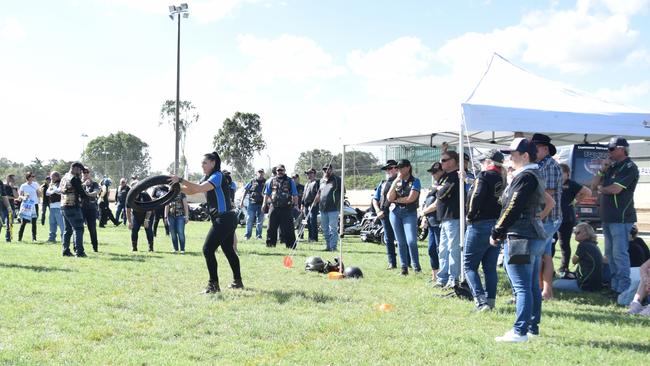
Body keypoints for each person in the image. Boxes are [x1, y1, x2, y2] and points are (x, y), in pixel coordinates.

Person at [491, 138, 554, 343]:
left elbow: (512, 206)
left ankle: (520, 331)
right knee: (530, 286)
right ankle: (532, 328)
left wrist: (497, 230)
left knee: (522, 287)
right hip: (532, 235)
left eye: (513, 154)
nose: (510, 158)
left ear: (525, 156)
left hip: (521, 237)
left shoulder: (526, 176)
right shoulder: (529, 175)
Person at [170, 151, 243, 293]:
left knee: (208, 249)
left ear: (213, 163)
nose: (202, 165)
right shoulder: (207, 177)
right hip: (225, 219)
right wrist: (175, 188)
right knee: (228, 250)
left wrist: (179, 180)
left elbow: (199, 188)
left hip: (225, 218)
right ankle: (237, 281)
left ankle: (213, 285)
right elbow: (192, 190)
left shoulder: (218, 176)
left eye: (204, 163)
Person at [591, 136, 639, 298]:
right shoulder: (611, 167)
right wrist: (601, 170)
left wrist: (601, 189)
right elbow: (593, 185)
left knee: (619, 253)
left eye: (611, 149)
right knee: (610, 254)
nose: (608, 152)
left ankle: (623, 288)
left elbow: (615, 189)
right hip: (608, 216)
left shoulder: (629, 167)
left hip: (621, 218)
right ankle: (614, 286)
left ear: (621, 149)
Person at [464, 150, 506, 311]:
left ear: (489, 162)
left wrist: (470, 216)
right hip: (496, 224)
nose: (480, 164)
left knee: (469, 266)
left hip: (480, 224)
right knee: (490, 267)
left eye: (482, 162)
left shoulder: (484, 177)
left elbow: (476, 197)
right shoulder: (504, 179)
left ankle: (481, 302)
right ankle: (490, 301)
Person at [531, 133, 563, 301]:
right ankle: (546, 291)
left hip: (548, 217)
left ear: (545, 149)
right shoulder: (543, 164)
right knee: (546, 255)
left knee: (539, 254)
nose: (532, 151)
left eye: (535, 148)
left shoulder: (549, 166)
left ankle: (542, 290)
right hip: (547, 217)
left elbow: (548, 195)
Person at [555, 164, 592, 276]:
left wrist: (575, 201)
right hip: (553, 217)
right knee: (550, 243)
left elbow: (588, 192)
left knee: (564, 244)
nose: (559, 176)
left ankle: (564, 268)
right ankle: (548, 268)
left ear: (567, 174)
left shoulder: (571, 184)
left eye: (562, 173)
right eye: (558, 173)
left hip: (566, 218)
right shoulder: (553, 183)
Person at [387, 159, 421, 276]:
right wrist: (395, 182)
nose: (399, 170)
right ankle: (404, 267)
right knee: (400, 242)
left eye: (401, 167)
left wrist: (397, 200)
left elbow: (411, 199)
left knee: (411, 241)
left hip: (409, 212)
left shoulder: (415, 181)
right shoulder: (397, 181)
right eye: (398, 168)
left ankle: (416, 267)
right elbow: (389, 198)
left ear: (408, 167)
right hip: (395, 212)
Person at [552, 222, 603, 292]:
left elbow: (574, 261)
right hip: (596, 284)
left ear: (585, 233)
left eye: (577, 232)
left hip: (585, 285)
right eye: (574, 232)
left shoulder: (583, 245)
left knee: (555, 283)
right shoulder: (593, 244)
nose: (575, 234)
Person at [436, 151, 462, 287]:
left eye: (444, 160)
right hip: (445, 218)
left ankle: (453, 279)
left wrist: (438, 188)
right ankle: (442, 278)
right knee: (443, 250)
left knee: (453, 249)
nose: (442, 163)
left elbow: (441, 193)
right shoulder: (445, 176)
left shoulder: (455, 176)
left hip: (454, 218)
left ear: (453, 161)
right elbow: (437, 189)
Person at [264, 164, 299, 249]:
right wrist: (264, 204)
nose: (280, 172)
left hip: (286, 208)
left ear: (284, 171)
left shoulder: (290, 181)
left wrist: (296, 205)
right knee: (271, 227)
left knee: (289, 228)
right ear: (276, 171)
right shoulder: (271, 181)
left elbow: (295, 194)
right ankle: (270, 244)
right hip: (274, 207)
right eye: (278, 170)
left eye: (281, 170)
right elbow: (266, 193)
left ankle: (291, 245)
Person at [372, 160, 399, 269]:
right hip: (384, 213)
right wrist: (378, 211)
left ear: (396, 168)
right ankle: (392, 262)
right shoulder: (383, 183)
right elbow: (375, 198)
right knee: (388, 238)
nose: (388, 171)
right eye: (387, 169)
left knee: (401, 239)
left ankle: (407, 263)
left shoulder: (401, 181)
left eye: (391, 168)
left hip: (398, 213)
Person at [60, 162, 90, 257]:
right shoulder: (74, 178)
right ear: (75, 168)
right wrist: (90, 195)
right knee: (79, 228)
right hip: (73, 206)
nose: (81, 172)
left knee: (68, 230)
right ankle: (79, 252)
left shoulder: (64, 177)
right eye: (80, 170)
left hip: (64, 206)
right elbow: (82, 192)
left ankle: (66, 251)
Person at [421, 162, 444, 280]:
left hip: (439, 221)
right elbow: (427, 202)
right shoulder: (434, 185)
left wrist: (424, 212)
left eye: (435, 172)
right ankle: (435, 276)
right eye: (432, 172)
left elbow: (436, 204)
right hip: (431, 222)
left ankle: (442, 276)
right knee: (431, 249)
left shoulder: (444, 184)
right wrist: (424, 217)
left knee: (440, 249)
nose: (433, 174)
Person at [313, 164, 342, 252]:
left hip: (333, 208)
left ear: (332, 170)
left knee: (332, 228)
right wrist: (314, 202)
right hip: (322, 208)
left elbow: (343, 191)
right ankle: (328, 246)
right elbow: (319, 193)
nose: (326, 171)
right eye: (324, 170)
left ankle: (333, 246)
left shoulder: (337, 179)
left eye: (328, 169)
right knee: (324, 228)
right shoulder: (321, 181)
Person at [126, 181, 154, 252]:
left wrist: (146, 220)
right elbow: (128, 210)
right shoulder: (129, 197)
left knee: (149, 230)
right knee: (134, 230)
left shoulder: (145, 195)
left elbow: (150, 208)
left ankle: (151, 248)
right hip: (136, 215)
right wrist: (129, 222)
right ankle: (134, 248)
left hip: (147, 214)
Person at [242, 169, 266, 240]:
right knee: (249, 219)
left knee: (260, 221)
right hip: (252, 203)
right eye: (259, 172)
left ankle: (259, 236)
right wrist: (242, 201)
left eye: (262, 172)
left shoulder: (266, 182)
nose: (260, 174)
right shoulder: (252, 181)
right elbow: (246, 190)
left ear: (263, 173)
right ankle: (247, 235)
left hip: (261, 204)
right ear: (256, 173)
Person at [81, 167, 100, 252]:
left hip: (91, 208)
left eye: (87, 172)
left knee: (92, 228)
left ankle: (95, 247)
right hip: (80, 208)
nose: (85, 174)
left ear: (90, 173)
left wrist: (87, 194)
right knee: (79, 229)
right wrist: (83, 184)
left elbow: (96, 192)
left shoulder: (94, 183)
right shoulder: (79, 183)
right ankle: (78, 247)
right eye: (84, 172)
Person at [18, 172, 40, 242]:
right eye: (31, 176)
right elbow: (20, 196)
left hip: (35, 204)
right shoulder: (23, 186)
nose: (33, 177)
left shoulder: (36, 184)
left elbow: (39, 194)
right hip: (27, 205)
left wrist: (39, 191)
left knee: (34, 222)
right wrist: (24, 197)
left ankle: (34, 238)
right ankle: (20, 238)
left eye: (33, 176)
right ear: (28, 177)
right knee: (24, 222)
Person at [302, 168, 320, 242]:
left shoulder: (317, 182)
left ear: (314, 174)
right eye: (307, 173)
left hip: (313, 205)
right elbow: (304, 195)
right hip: (306, 205)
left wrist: (315, 203)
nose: (308, 175)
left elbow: (319, 194)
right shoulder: (307, 184)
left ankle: (314, 238)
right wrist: (302, 204)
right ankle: (310, 237)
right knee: (308, 221)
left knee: (313, 221)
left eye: (310, 173)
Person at [46, 171, 64, 243]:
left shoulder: (61, 183)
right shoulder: (52, 184)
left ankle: (64, 238)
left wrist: (53, 190)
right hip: (52, 206)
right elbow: (47, 193)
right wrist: (53, 190)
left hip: (58, 206)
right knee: (52, 223)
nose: (51, 178)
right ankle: (52, 238)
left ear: (57, 177)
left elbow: (59, 191)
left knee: (61, 224)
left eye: (52, 177)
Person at [2, 175, 18, 242]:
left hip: (11, 208)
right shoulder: (3, 186)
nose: (13, 181)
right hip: (2, 208)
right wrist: (11, 197)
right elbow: (3, 196)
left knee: (10, 224)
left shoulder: (14, 188)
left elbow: (16, 196)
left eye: (14, 179)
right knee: (1, 223)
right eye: (12, 179)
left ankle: (8, 239)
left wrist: (13, 188)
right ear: (8, 178)